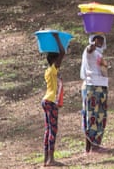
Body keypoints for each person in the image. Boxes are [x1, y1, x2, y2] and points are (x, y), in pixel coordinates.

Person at [81, 34, 109, 154]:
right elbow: (89, 49)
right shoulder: (89, 52)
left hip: (101, 86)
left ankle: (93, 145)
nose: (100, 41)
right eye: (97, 39)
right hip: (92, 86)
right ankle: (92, 146)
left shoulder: (99, 54)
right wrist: (92, 45)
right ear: (92, 40)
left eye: (102, 39)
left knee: (99, 116)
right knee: (91, 116)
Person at [41, 33, 66, 167]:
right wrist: (57, 38)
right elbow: (63, 52)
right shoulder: (53, 69)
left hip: (45, 100)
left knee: (47, 130)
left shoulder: (48, 71)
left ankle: (46, 159)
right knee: (53, 130)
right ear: (55, 60)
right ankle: (51, 160)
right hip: (51, 101)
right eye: (58, 59)